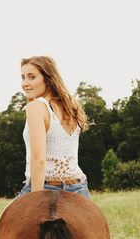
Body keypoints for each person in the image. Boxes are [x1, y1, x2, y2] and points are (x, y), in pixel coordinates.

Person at [16, 55, 91, 200]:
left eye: (31, 77)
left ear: (48, 79)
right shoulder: (71, 107)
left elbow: (39, 160)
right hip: (79, 187)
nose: (25, 83)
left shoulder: (36, 107)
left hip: (46, 187)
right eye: (23, 77)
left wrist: (35, 200)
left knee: (2, 223)